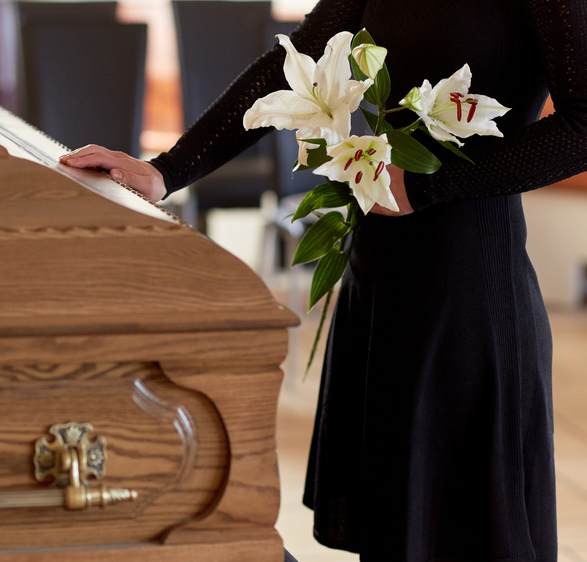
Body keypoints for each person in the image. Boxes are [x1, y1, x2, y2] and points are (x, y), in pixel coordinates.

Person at [60, 0, 587, 560]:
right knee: (390, 529)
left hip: (468, 289)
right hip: (378, 273)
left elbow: (583, 127)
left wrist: (427, 186)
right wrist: (168, 169)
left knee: (465, 531)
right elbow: (288, 66)